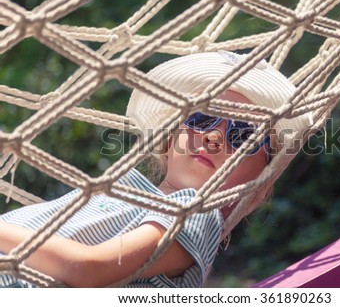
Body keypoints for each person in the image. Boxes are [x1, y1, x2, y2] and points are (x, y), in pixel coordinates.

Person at [0, 51, 312, 288]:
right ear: (170, 135)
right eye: (203, 117)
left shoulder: (196, 216)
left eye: (244, 135)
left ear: (260, 181)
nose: (214, 136)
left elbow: (88, 268)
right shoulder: (115, 189)